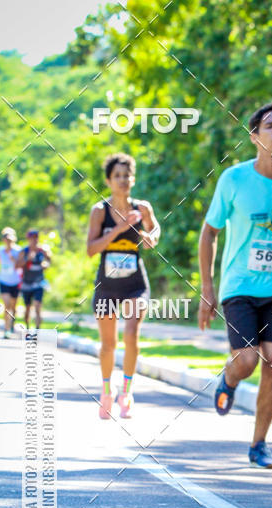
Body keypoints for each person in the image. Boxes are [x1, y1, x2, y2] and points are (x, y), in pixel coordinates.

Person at [198, 102, 272, 469]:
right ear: (255, 137)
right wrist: (207, 287)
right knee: (247, 360)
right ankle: (229, 377)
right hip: (239, 285)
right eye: (270, 126)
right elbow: (209, 232)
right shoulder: (234, 179)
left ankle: (259, 444)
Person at [86, 152, 160, 419]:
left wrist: (151, 237)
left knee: (131, 335)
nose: (123, 180)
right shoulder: (99, 211)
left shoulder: (142, 208)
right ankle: (106, 391)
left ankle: (126, 391)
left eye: (127, 175)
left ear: (133, 178)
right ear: (108, 180)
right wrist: (118, 230)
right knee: (109, 344)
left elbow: (154, 230)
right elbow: (91, 249)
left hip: (134, 285)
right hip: (107, 286)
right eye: (117, 176)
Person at [16, 229, 51, 329]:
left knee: (37, 306)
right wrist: (28, 259)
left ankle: (37, 328)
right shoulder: (24, 251)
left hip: (38, 283)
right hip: (26, 283)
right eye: (32, 238)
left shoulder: (43, 250)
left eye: (36, 238)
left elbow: (49, 261)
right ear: (28, 239)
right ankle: (27, 326)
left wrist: (46, 264)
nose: (34, 240)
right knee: (27, 308)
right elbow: (17, 265)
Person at [0, 227, 22, 338]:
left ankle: (11, 325)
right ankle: (6, 329)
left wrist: (12, 258)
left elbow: (19, 265)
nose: (8, 241)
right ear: (3, 240)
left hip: (15, 281)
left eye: (10, 240)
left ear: (14, 239)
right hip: (4, 281)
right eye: (6, 239)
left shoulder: (18, 250)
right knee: (7, 306)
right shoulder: (0, 250)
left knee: (14, 307)